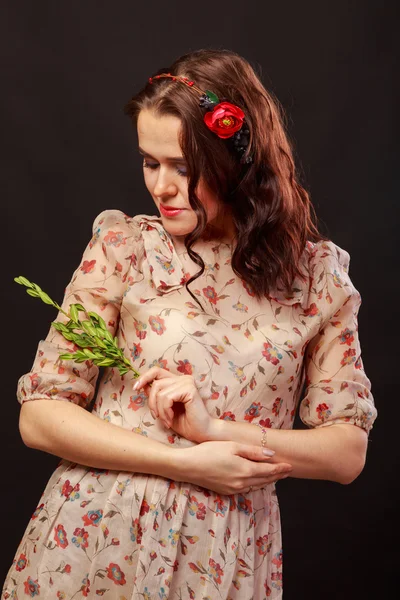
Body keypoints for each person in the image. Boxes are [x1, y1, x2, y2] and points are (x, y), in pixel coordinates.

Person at [3, 48, 377, 600]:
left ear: (239, 160)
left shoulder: (316, 279)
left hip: (222, 556)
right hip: (95, 538)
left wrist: (218, 434)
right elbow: (39, 417)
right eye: (150, 162)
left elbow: (346, 452)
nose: (161, 187)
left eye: (183, 167)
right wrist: (186, 462)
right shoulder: (124, 247)